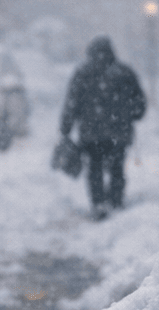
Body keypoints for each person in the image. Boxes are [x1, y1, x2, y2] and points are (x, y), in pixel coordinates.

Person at [59, 35, 146, 218]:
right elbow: (139, 103)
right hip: (119, 132)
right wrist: (131, 115)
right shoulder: (124, 73)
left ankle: (98, 203)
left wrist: (66, 128)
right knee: (117, 167)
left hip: (91, 134)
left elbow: (72, 103)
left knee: (94, 168)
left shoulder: (83, 73)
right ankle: (115, 201)